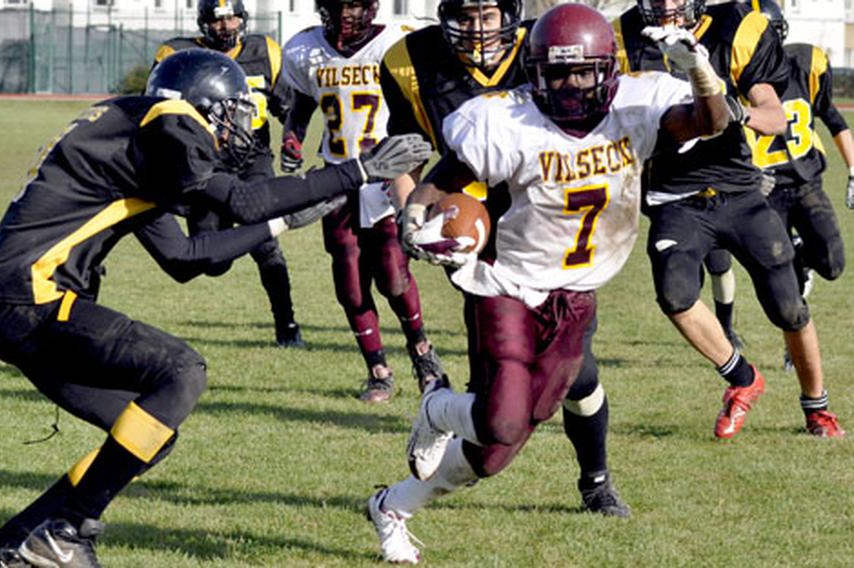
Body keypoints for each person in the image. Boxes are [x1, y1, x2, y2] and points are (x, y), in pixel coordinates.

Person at [0, 49, 430, 568]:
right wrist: (357, 171)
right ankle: (68, 533)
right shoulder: (168, 121)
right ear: (201, 104)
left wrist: (284, 223)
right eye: (230, 113)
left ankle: (1, 550)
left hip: (14, 303)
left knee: (143, 436)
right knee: (181, 371)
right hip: (32, 299)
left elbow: (187, 257)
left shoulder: (134, 133)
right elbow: (243, 204)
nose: (236, 128)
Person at [367, 4, 729, 563]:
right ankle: (439, 409)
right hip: (508, 284)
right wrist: (415, 221)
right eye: (556, 74)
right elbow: (443, 180)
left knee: (491, 455)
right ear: (535, 73)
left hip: (576, 295)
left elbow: (710, 122)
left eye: (582, 72)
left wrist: (701, 75)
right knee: (501, 419)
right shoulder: (506, 121)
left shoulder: (637, 104)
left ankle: (392, 505)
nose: (569, 85)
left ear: (607, 71)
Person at [379, 0, 628, 516]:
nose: (477, 28)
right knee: (501, 387)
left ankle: (595, 481)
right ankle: (435, 464)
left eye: (488, 14)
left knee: (578, 373)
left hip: (549, 229)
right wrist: (412, 216)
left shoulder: (551, 43)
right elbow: (405, 156)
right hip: (476, 241)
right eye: (465, 15)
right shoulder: (411, 59)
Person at [613, 0, 844, 438]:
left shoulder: (733, 27)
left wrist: (739, 113)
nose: (665, 4)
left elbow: (775, 117)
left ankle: (817, 408)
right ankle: (743, 379)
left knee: (789, 308)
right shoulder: (621, 39)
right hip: (674, 194)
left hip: (738, 189)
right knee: (674, 293)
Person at [279, 0, 445, 402]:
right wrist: (292, 135)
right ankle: (378, 370)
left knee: (392, 271)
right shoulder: (305, 49)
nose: (345, 15)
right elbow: (301, 102)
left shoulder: (398, 42)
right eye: (337, 6)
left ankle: (422, 352)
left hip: (387, 174)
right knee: (350, 280)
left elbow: (422, 104)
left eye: (354, 5)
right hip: (338, 175)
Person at [152, 0, 306, 348]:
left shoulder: (263, 50)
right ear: (203, 22)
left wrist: (293, 137)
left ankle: (287, 325)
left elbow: (290, 106)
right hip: (206, 165)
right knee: (213, 260)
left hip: (253, 158)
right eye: (218, 20)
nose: (226, 26)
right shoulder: (179, 53)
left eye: (232, 17)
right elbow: (155, 107)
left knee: (267, 242)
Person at [751, 0, 851, 394]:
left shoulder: (807, 65)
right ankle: (795, 346)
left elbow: (834, 119)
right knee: (782, 282)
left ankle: (803, 258)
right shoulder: (736, 74)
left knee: (833, 264)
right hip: (763, 189)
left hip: (806, 181)